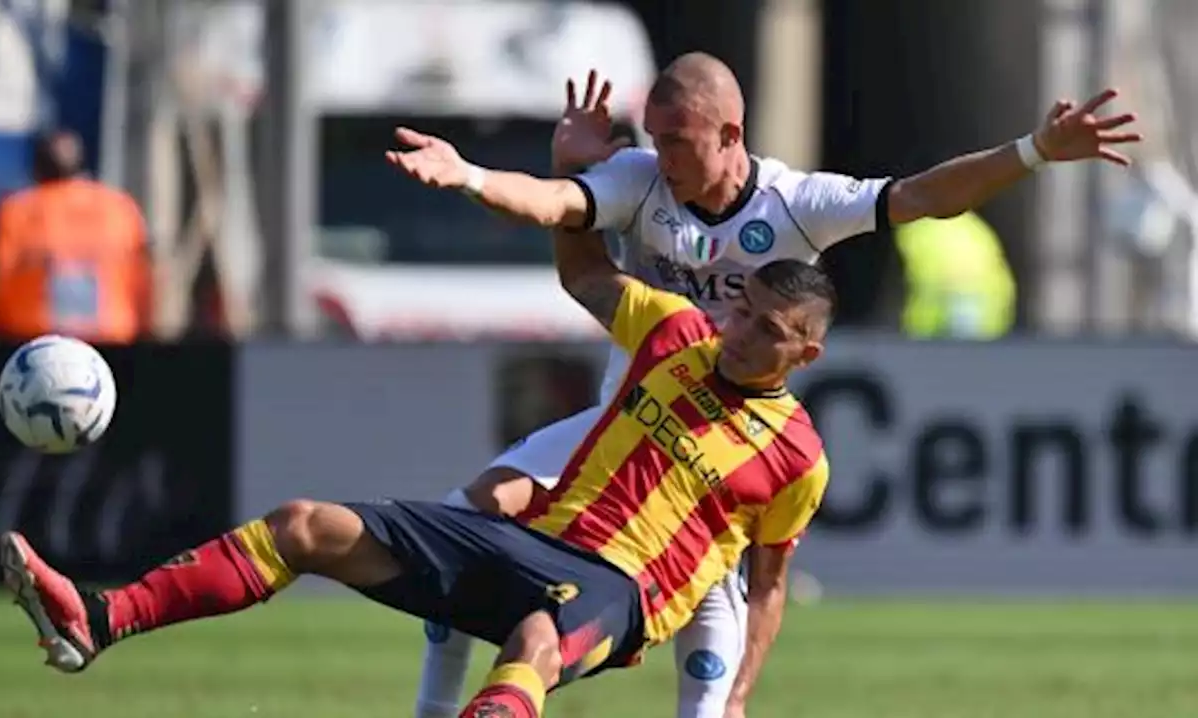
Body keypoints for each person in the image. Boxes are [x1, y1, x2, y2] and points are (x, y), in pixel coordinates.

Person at [389, 54, 1142, 718]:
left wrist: (1035, 150)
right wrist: (474, 177)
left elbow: (922, 198)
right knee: (470, 513)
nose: (663, 155)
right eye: (654, 137)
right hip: (626, 423)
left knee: (711, 665)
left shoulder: (796, 202)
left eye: (678, 139)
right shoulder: (639, 180)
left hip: (720, 454)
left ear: (730, 135)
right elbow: (557, 209)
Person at [0, 231, 837, 718]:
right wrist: (576, 176)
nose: (739, 332)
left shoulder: (797, 456)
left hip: (622, 591)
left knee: (536, 645)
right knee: (304, 525)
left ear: (806, 352)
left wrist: (736, 698)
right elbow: (583, 273)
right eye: (741, 309)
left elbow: (764, 589)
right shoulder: (673, 332)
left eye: (767, 329)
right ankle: (99, 620)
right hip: (528, 542)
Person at [0, 129, 151, 343]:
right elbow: (148, 278)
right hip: (112, 346)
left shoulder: (17, 212)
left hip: (30, 347)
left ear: (36, 170)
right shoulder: (119, 208)